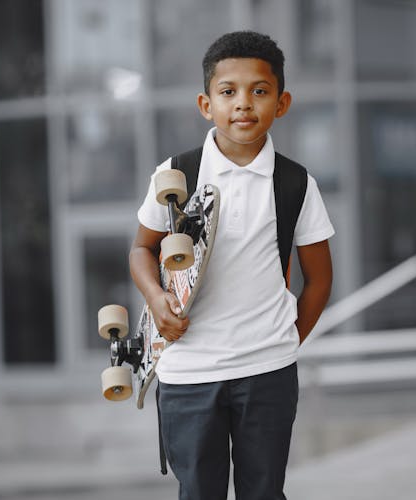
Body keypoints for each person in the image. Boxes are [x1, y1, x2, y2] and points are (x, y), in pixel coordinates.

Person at [129, 30, 334, 500]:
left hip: (267, 372)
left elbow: (320, 279)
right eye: (228, 92)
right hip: (188, 372)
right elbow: (140, 250)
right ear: (206, 104)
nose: (243, 103)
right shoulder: (175, 175)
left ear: (281, 104)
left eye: (259, 91)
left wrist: (283, 343)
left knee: (264, 493)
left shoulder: (295, 183)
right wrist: (156, 300)